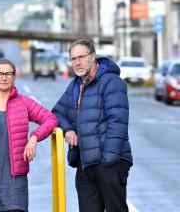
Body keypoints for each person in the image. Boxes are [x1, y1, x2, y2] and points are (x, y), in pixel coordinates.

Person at [52, 39, 133, 212]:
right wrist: (68, 129)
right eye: (73, 59)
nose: (77, 62)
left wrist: (107, 163)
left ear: (93, 56)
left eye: (81, 57)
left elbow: (117, 123)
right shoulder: (76, 85)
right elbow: (57, 112)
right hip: (85, 165)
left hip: (110, 163)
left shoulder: (112, 82)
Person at [0, 59, 58, 212]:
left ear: (14, 77)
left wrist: (34, 137)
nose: (4, 77)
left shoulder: (23, 102)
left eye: (8, 74)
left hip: (15, 183)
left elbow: (51, 119)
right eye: (0, 74)